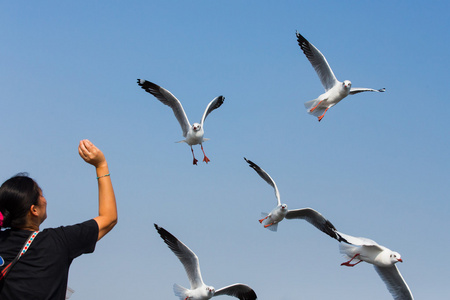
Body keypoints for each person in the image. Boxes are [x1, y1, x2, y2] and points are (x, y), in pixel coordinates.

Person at [0, 139, 117, 299]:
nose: (45, 200)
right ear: (33, 210)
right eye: (41, 195)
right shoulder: (58, 241)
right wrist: (101, 165)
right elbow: (109, 218)